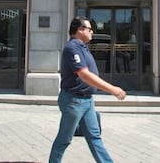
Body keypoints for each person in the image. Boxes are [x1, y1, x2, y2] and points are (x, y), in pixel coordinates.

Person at [49, 16, 127, 163]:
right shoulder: (72, 48)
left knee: (95, 137)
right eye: (90, 29)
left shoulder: (82, 48)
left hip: (87, 101)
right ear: (80, 30)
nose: (92, 32)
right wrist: (112, 89)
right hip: (74, 101)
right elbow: (84, 74)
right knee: (64, 139)